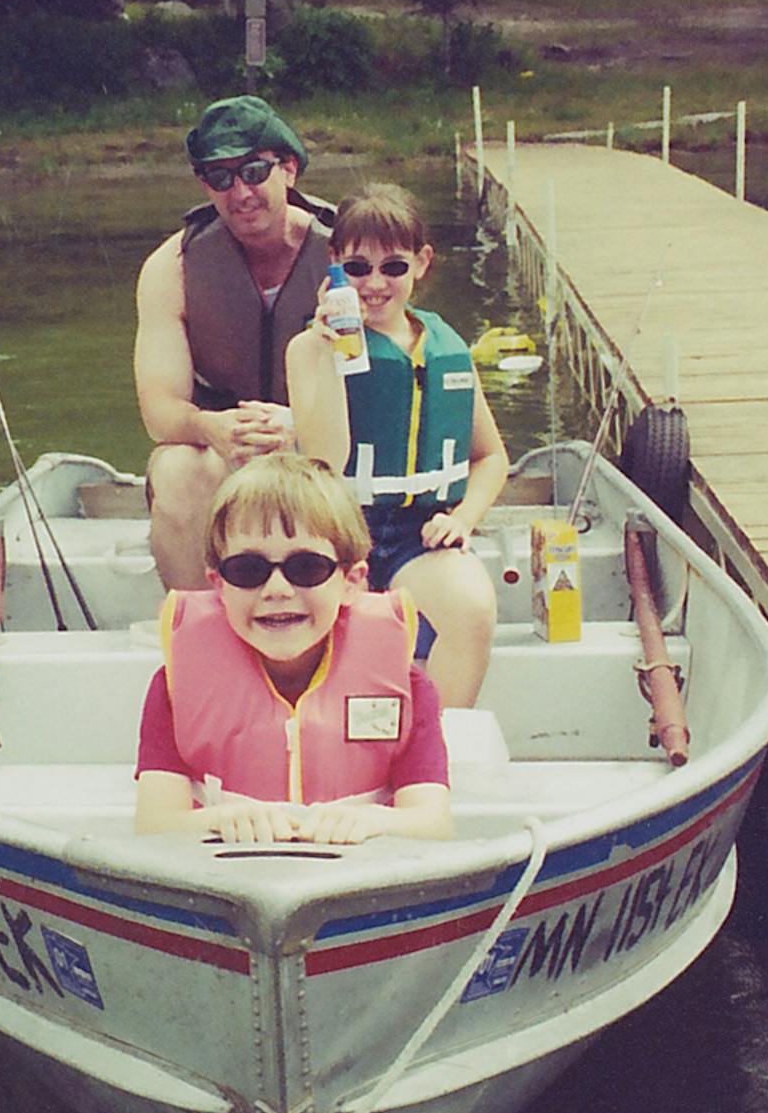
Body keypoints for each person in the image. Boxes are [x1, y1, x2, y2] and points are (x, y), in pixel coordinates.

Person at [134, 454, 452, 846]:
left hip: (358, 875)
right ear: (219, 584)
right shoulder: (174, 688)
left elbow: (434, 823)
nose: (278, 590)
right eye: (248, 570)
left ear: (351, 581)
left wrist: (372, 822)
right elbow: (153, 824)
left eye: (306, 568)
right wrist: (223, 820)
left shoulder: (411, 688)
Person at [286, 183, 508, 709]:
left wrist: (464, 518)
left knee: (472, 609)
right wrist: (331, 353)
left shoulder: (447, 347)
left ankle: (437, 748)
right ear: (335, 262)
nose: (375, 283)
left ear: (422, 264)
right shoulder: (306, 349)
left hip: (417, 534)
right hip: (335, 532)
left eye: (394, 267)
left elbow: (490, 456)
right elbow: (323, 460)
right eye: (358, 268)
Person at [133, 96, 335, 590]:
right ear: (205, 185)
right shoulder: (171, 268)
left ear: (288, 168)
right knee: (178, 468)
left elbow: (391, 372)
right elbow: (160, 411)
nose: (240, 192)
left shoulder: (345, 252)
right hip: (225, 444)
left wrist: (302, 426)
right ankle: (199, 625)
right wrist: (212, 427)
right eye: (220, 178)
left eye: (253, 171)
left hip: (325, 441)